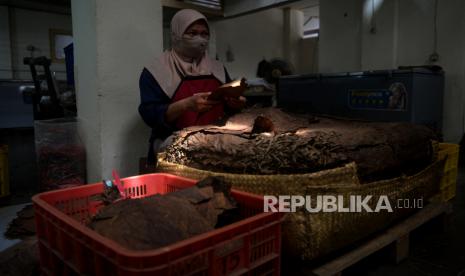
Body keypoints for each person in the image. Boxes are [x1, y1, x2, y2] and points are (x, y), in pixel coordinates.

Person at [139, 9, 246, 166]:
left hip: (215, 144)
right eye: (192, 33)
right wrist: (186, 105)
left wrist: (236, 103)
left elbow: (227, 105)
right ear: (176, 34)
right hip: (172, 146)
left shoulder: (217, 68)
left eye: (204, 34)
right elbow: (149, 114)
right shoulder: (156, 70)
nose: (200, 39)